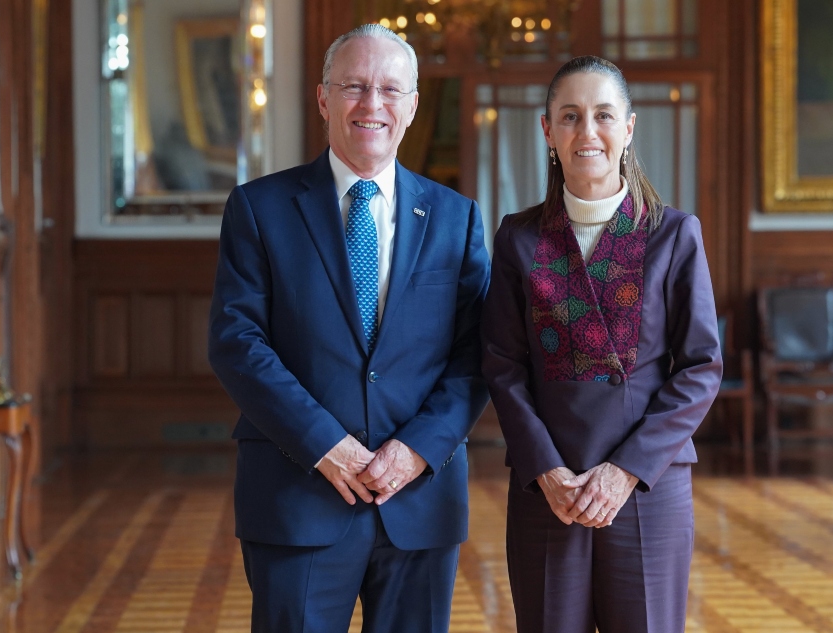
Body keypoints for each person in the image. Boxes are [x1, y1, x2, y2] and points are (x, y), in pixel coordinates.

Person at [208, 23, 490, 633]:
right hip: (297, 494)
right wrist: (323, 446)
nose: (372, 105)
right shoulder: (258, 209)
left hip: (418, 501)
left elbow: (477, 353)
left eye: (391, 90)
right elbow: (238, 343)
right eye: (355, 86)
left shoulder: (456, 217)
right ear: (323, 98)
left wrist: (417, 451)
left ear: (413, 107)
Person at [481, 56, 722, 633]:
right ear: (548, 132)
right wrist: (545, 469)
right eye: (570, 116)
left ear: (629, 128)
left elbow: (701, 367)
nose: (587, 132)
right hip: (549, 487)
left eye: (603, 115)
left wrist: (624, 472)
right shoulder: (519, 236)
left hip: (645, 485)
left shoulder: (673, 233)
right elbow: (502, 365)